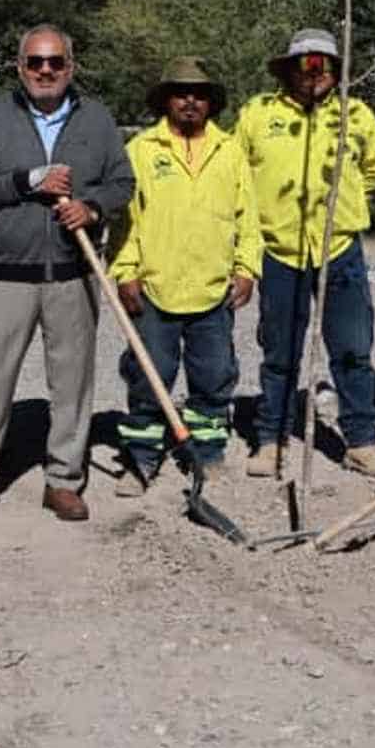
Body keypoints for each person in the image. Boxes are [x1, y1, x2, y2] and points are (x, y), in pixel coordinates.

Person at [0, 25, 134, 524]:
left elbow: (122, 182)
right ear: (20, 67)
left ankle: (63, 481)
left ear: (71, 67)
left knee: (72, 382)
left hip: (73, 273)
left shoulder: (95, 119)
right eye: (35, 62)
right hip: (6, 273)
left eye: (55, 62)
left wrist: (92, 208)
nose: (45, 70)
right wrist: (27, 181)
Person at [238, 28, 375, 479]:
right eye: (305, 63)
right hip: (279, 250)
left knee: (351, 349)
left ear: (335, 70)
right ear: (290, 67)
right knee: (279, 350)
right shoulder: (257, 113)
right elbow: (238, 176)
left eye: (323, 64)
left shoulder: (356, 115)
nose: (314, 72)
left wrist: (346, 203)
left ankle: (361, 442)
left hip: (339, 250)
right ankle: (271, 439)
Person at [108, 57, 262, 495]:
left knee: (213, 375)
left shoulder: (229, 150)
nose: (190, 101)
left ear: (211, 102)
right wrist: (125, 272)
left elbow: (246, 217)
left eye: (199, 94)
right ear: (166, 100)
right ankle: (141, 459)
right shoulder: (141, 149)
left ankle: (207, 452)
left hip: (213, 290)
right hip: (155, 289)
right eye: (181, 93)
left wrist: (246, 268)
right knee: (148, 375)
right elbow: (126, 222)